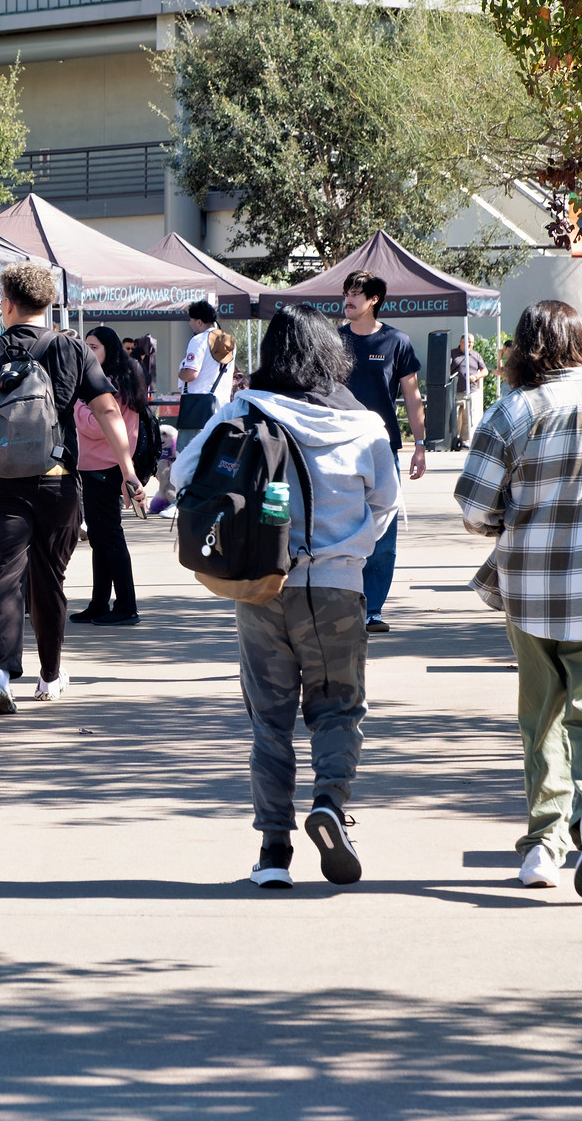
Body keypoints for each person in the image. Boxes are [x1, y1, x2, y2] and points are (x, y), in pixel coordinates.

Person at [172, 304, 399, 889]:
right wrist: (352, 550)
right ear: (330, 353)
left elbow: (182, 478)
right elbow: (386, 503)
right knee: (339, 706)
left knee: (268, 720)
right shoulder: (366, 424)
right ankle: (328, 801)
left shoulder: (246, 410)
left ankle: (274, 851)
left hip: (260, 583)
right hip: (337, 588)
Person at [455, 301, 582, 899]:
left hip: (530, 584)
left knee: (541, 716)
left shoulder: (512, 411)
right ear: (581, 343)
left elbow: (474, 505)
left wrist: (510, 518)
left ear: (524, 347)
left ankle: (545, 844)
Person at [0, 262, 143, 713]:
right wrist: (128, 470)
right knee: (48, 580)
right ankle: (50, 675)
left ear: (7, 303)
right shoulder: (72, 350)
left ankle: (0, 675)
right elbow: (108, 411)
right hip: (56, 484)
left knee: (3, 575)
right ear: (49, 304)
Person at [339, 271, 426, 633]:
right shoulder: (333, 339)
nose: (348, 298)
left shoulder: (396, 341)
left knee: (383, 533)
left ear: (373, 300)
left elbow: (412, 397)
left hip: (381, 449)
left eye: (356, 293)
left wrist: (420, 446)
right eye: (346, 292)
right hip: (339, 447)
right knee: (340, 527)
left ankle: (372, 608)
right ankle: (343, 603)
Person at [71, 326, 148, 626]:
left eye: (95, 347)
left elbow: (93, 424)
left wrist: (77, 402)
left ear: (110, 350)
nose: (88, 352)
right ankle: (100, 602)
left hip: (104, 468)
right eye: (86, 346)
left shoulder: (110, 384)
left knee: (109, 537)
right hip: (100, 467)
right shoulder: (118, 379)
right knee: (101, 539)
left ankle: (126, 606)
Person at [175, 301, 227, 455]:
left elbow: (191, 374)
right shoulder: (228, 340)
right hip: (221, 407)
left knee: (187, 457)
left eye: (190, 321)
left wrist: (180, 372)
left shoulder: (198, 340)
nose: (190, 325)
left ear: (199, 321)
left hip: (197, 408)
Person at [452, 341, 488, 444]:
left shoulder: (475, 355)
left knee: (468, 417)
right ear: (461, 342)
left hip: (470, 391)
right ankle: (454, 440)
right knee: (454, 418)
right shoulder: (453, 354)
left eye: (472, 342)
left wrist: (476, 376)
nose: (470, 344)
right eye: (468, 342)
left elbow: (485, 371)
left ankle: (465, 441)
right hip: (456, 392)